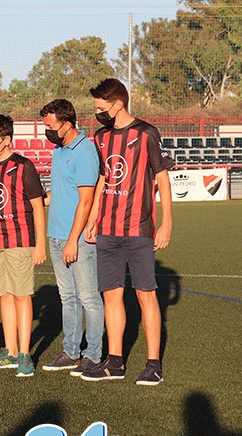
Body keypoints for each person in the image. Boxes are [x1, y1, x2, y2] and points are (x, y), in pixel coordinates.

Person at [82, 78, 173, 385]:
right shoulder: (101, 137)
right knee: (111, 296)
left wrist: (167, 222)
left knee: (146, 296)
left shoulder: (146, 133)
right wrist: (93, 219)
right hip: (108, 230)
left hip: (138, 230)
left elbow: (161, 178)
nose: (97, 112)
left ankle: (153, 364)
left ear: (117, 104)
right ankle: (115, 362)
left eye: (100, 107)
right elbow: (104, 179)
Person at [0, 114, 47, 377]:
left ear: (6, 140)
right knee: (5, 296)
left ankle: (26, 354)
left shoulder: (23, 166)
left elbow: (38, 207)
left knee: (22, 295)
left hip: (20, 241)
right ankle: (11, 352)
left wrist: (40, 245)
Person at [39, 99, 104, 376]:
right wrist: (42, 199)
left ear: (67, 124)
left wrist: (71, 240)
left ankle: (93, 354)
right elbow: (62, 190)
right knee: (68, 297)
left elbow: (86, 200)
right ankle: (71, 351)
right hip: (55, 235)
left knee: (89, 297)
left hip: (74, 239)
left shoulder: (85, 150)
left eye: (51, 126)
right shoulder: (59, 149)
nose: (47, 131)